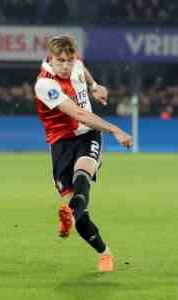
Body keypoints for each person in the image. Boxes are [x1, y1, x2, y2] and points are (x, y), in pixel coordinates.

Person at [34, 35, 132, 272]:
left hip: (87, 136)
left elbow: (82, 69)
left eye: (70, 60)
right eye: (61, 61)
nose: (66, 66)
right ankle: (98, 245)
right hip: (60, 145)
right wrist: (115, 130)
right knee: (81, 220)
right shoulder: (46, 85)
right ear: (50, 58)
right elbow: (78, 114)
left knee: (82, 177)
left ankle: (100, 249)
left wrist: (94, 85)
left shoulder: (75, 64)